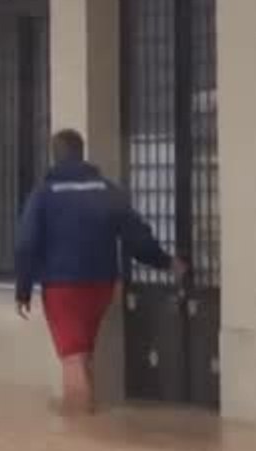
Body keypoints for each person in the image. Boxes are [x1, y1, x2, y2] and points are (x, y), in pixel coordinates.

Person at [15, 129, 186, 415]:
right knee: (83, 357)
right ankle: (90, 420)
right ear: (81, 154)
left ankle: (82, 439)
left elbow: (25, 244)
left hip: (62, 287)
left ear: (54, 156)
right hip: (102, 286)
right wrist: (167, 263)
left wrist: (23, 289)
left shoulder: (44, 194)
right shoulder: (107, 190)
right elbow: (137, 237)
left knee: (72, 359)